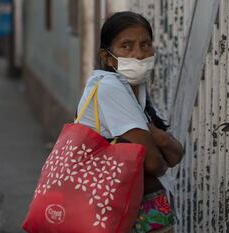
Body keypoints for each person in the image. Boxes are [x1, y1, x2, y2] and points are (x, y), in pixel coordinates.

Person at [76, 11, 184, 233]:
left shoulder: (135, 88)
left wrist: (156, 139)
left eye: (145, 45)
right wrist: (160, 141)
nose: (139, 54)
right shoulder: (109, 86)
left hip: (144, 204)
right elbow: (157, 163)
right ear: (107, 57)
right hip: (122, 207)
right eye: (127, 46)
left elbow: (175, 155)